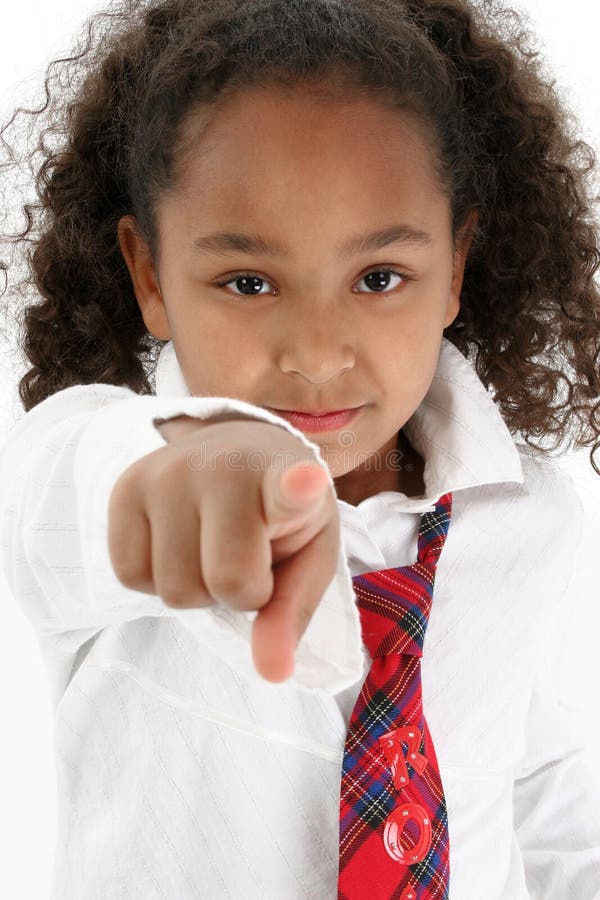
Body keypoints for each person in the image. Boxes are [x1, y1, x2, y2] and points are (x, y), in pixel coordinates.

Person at [1, 0, 600, 896]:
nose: (317, 353)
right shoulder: (126, 489)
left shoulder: (534, 522)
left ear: (456, 266)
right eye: (249, 281)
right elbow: (58, 481)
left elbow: (538, 786)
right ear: (152, 276)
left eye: (379, 277)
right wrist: (190, 467)